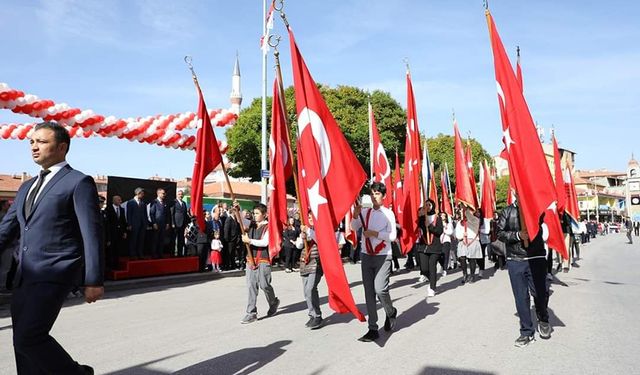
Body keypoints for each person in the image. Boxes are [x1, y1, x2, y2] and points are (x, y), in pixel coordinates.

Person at [0, 121, 103, 374]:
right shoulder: (26, 186)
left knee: (29, 337)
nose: (34, 147)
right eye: (32, 142)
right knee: (20, 342)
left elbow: (92, 234)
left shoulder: (78, 182)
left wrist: (93, 279)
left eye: (42, 142)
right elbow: (7, 228)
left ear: (61, 147)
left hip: (55, 272)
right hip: (24, 274)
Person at [497, 198, 552, 347]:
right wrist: (517, 236)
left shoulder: (537, 209)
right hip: (515, 259)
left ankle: (543, 319)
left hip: (536, 257)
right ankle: (526, 332)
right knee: (521, 297)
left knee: (540, 293)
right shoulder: (507, 211)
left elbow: (546, 226)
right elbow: (500, 233)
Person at [351, 182, 398, 342]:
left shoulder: (388, 213)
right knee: (369, 292)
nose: (374, 196)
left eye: (377, 193)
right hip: (366, 255)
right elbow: (353, 226)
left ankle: (390, 311)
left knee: (380, 289)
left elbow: (392, 236)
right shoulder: (365, 212)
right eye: (372, 194)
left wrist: (375, 233)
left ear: (383, 196)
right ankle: (372, 328)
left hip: (383, 256)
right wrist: (356, 215)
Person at [240, 202, 280, 324]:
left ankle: (273, 302)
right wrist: (238, 209)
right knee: (251, 285)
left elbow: (264, 242)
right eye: (254, 213)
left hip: (263, 260)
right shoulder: (251, 224)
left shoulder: (269, 227)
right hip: (250, 260)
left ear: (264, 215)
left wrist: (249, 241)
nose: (254, 215)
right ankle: (251, 312)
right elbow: (240, 220)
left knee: (264, 285)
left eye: (257, 213)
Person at [296, 211, 325, 330]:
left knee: (311, 288)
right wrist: (301, 237)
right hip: (304, 262)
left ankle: (317, 315)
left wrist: (307, 231)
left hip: (316, 263)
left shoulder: (320, 229)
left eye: (312, 216)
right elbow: (298, 246)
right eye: (308, 217)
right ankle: (312, 314)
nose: (310, 219)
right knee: (306, 291)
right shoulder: (306, 230)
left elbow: (320, 240)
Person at [417, 199, 443, 298]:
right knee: (424, 268)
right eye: (425, 205)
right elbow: (416, 227)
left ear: (432, 206)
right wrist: (420, 218)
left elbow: (439, 232)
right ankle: (432, 279)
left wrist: (430, 226)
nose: (427, 206)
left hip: (435, 246)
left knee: (432, 267)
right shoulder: (422, 218)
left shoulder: (437, 218)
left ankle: (432, 287)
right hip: (423, 246)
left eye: (429, 205)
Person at [455, 205, 482, 284]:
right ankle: (465, 274)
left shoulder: (475, 220)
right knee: (462, 258)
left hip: (472, 241)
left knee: (472, 259)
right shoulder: (460, 223)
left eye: (470, 211)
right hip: (462, 241)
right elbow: (457, 234)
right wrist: (462, 236)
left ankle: (472, 275)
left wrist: (465, 208)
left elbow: (469, 216)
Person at [148, 188, 171, 258]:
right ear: (158, 194)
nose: (164, 195)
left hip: (163, 224)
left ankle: (160, 254)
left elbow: (167, 214)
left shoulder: (165, 202)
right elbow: (151, 214)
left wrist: (167, 223)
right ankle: (153, 254)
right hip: (156, 224)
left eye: (165, 193)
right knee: (155, 240)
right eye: (163, 193)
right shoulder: (154, 202)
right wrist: (154, 223)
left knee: (162, 239)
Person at [126, 187, 147, 259]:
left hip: (142, 224)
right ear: (138, 193)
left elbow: (145, 214)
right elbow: (129, 214)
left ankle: (140, 254)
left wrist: (145, 223)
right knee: (133, 240)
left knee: (141, 240)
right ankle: (132, 255)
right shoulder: (130, 202)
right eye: (142, 193)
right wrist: (129, 224)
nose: (143, 194)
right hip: (134, 224)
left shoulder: (143, 203)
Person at [170, 190, 190, 257]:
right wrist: (172, 223)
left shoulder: (184, 203)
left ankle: (180, 253)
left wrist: (186, 224)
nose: (180, 195)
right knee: (173, 239)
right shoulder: (174, 202)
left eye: (181, 194)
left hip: (182, 224)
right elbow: (172, 213)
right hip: (175, 224)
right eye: (179, 194)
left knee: (181, 240)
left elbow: (185, 214)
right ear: (177, 195)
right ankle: (172, 253)